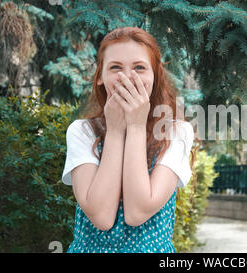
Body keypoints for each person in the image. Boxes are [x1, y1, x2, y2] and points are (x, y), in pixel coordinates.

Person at [61, 27, 196, 253]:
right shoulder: (82, 131)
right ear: (100, 77)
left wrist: (135, 126)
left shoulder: (176, 133)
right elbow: (101, 217)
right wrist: (115, 130)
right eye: (115, 67)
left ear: (154, 76)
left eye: (139, 68)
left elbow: (137, 212)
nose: (127, 77)